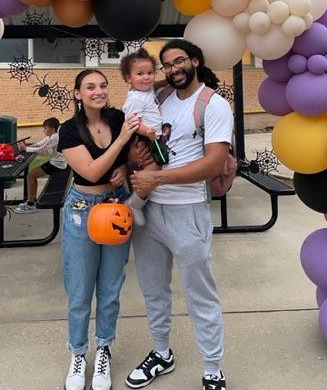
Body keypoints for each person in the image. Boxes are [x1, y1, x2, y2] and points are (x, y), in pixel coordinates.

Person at [125, 40, 233, 390]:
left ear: (195, 61)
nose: (173, 69)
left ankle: (213, 368)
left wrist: (158, 178)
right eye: (167, 65)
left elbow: (213, 163)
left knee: (200, 294)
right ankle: (161, 353)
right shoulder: (159, 97)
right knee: (153, 290)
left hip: (187, 210)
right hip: (150, 210)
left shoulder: (213, 105)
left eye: (179, 61)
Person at [57, 69, 141, 390]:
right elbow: (91, 171)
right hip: (83, 209)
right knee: (80, 289)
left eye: (103, 85)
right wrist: (120, 142)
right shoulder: (69, 130)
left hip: (116, 205)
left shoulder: (118, 118)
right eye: (90, 87)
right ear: (77, 93)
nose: (98, 91)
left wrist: (125, 166)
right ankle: (78, 354)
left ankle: (103, 349)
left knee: (110, 287)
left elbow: (132, 156)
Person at [119, 48, 167, 226]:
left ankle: (138, 195)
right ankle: (135, 202)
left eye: (150, 73)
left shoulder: (146, 91)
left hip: (153, 135)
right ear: (128, 78)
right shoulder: (135, 98)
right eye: (140, 74)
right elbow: (133, 122)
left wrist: (167, 79)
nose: (146, 77)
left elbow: (157, 84)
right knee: (156, 167)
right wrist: (147, 132)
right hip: (146, 136)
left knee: (158, 166)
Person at [14, 117, 67, 214]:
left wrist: (26, 148)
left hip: (58, 165)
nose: (43, 130)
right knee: (31, 174)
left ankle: (30, 204)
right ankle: (31, 200)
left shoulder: (55, 137)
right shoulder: (50, 136)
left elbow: (41, 150)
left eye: (45, 128)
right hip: (55, 162)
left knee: (31, 175)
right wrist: (26, 147)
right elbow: (39, 145)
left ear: (52, 129)